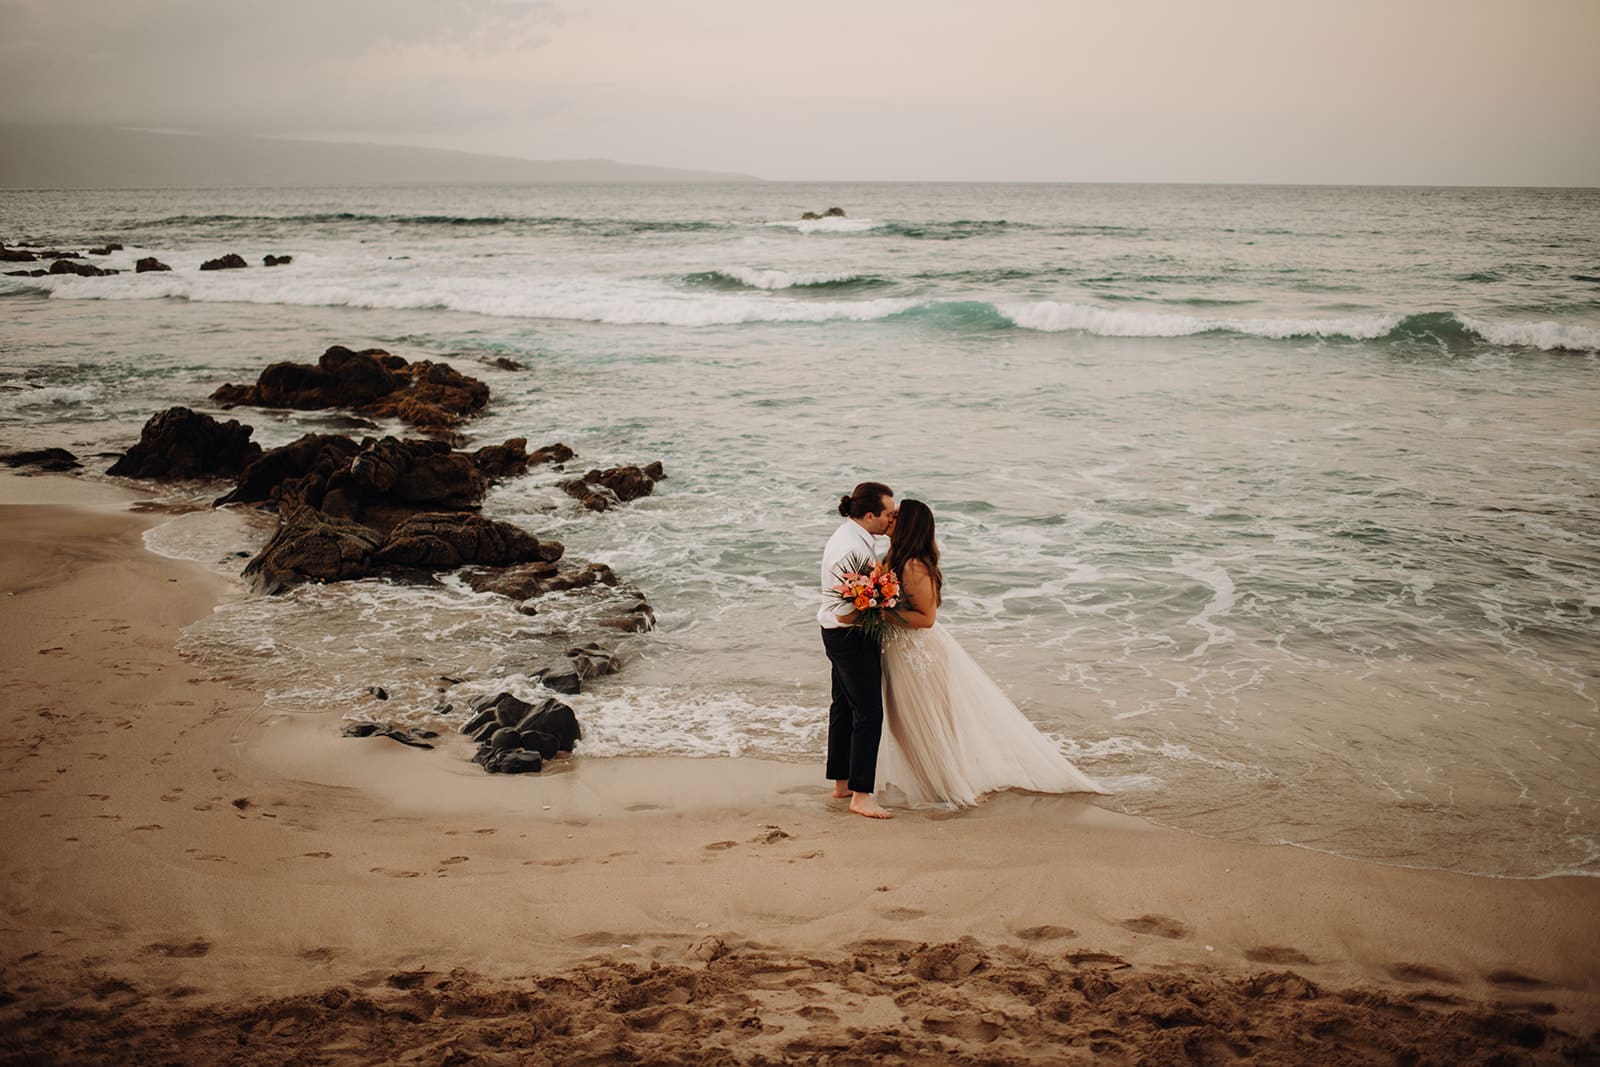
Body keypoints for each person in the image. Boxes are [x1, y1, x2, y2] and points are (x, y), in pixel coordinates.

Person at [877, 499, 1107, 808]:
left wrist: (882, 614)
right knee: (904, 725)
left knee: (924, 724)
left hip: (918, 655)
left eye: (896, 517)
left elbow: (926, 618)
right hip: (901, 651)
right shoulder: (894, 558)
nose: (890, 519)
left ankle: (946, 789)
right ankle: (936, 785)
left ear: (907, 526)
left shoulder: (913, 565)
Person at [819, 481, 897, 820]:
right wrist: (880, 605)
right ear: (870, 515)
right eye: (888, 514)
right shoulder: (853, 549)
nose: (891, 519)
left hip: (837, 635)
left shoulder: (850, 538)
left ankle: (843, 783)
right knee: (868, 713)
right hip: (849, 636)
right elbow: (844, 611)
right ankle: (862, 794)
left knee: (845, 707)